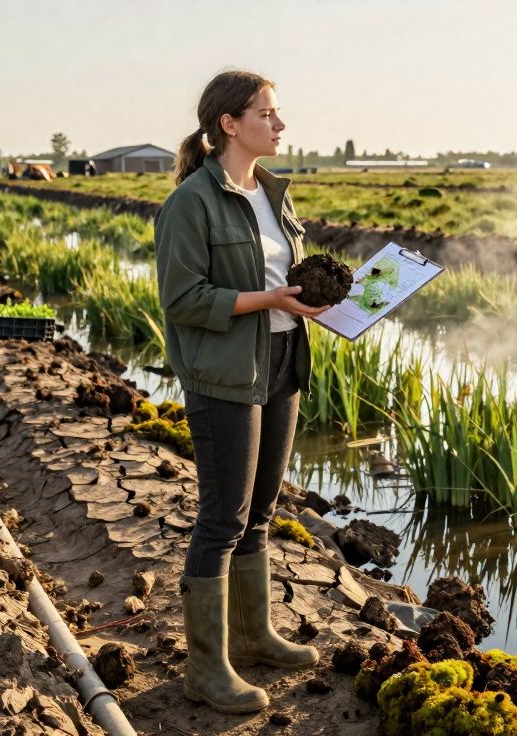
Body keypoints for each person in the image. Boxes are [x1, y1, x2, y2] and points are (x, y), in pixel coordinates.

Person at [154, 69, 329, 715]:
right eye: (268, 113)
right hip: (225, 371)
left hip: (282, 359)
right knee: (222, 519)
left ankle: (254, 638)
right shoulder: (191, 202)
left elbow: (288, 278)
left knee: (260, 513)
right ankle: (207, 669)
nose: (280, 124)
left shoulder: (272, 193)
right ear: (230, 124)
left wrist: (331, 300)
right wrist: (268, 300)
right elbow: (181, 298)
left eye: (279, 114)